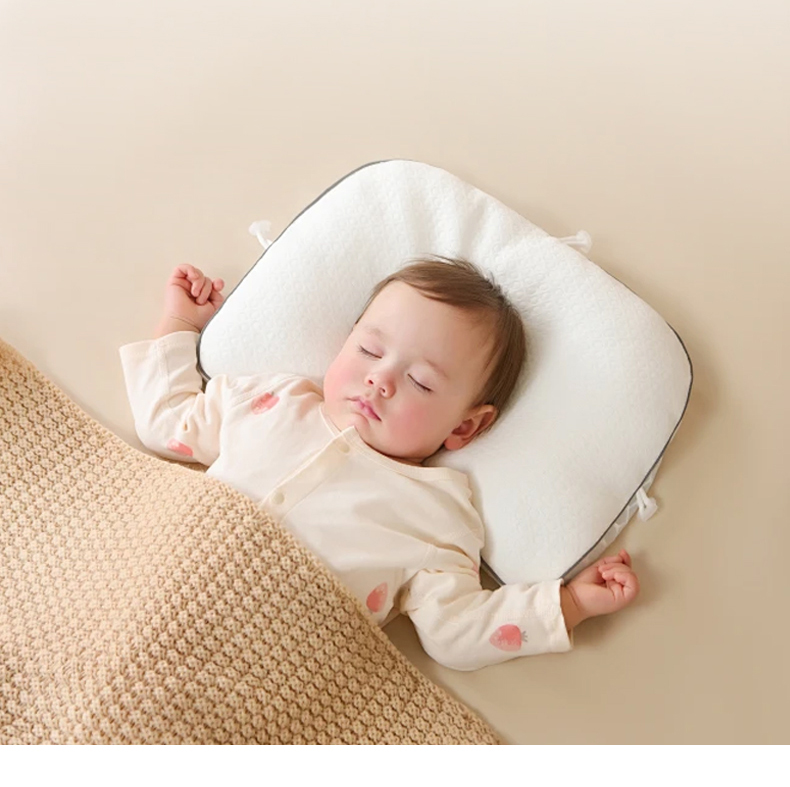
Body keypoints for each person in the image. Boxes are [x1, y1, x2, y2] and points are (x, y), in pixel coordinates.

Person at [120, 257, 639, 670]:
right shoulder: (271, 402)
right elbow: (168, 422)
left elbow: (455, 631)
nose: (380, 379)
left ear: (464, 427)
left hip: (268, 657)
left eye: (421, 382)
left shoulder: (436, 514)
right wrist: (179, 323)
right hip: (155, 587)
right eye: (369, 350)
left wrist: (569, 605)